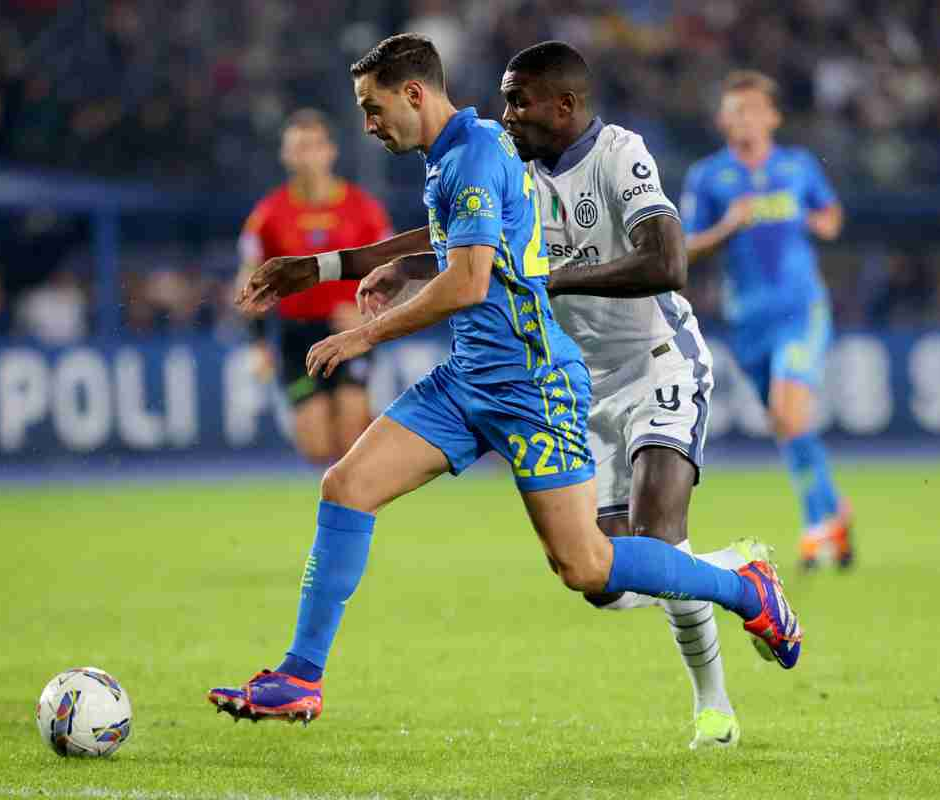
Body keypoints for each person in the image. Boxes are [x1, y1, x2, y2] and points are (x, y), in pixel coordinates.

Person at [210, 34, 802, 726]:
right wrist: (320, 268)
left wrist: (363, 333)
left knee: (587, 568)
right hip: (470, 379)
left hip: (535, 384)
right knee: (346, 484)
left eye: (373, 109)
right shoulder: (469, 153)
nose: (368, 125)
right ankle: (299, 677)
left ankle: (742, 587)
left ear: (413, 94)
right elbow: (447, 237)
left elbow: (466, 280)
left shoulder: (488, 151)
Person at [500, 41, 762, 749]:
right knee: (604, 581)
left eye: (518, 100)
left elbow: (669, 262)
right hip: (585, 392)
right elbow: (448, 238)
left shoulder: (620, 153)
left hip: (659, 361)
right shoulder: (515, 172)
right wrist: (355, 268)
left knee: (658, 541)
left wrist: (555, 280)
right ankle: (740, 573)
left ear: (566, 104)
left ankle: (714, 708)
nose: (507, 114)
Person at [681, 71, 852, 570]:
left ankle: (816, 529)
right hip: (747, 322)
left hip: (801, 310)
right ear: (721, 120)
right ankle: (836, 512)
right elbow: (687, 246)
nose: (744, 118)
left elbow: (832, 216)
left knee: (788, 411)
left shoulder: (797, 167)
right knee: (786, 422)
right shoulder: (708, 177)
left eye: (753, 109)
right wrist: (728, 226)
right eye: (735, 110)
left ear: (772, 116)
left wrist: (814, 221)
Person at [237, 109, 393, 464]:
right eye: (298, 147)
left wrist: (369, 316)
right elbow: (249, 283)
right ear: (286, 155)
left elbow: (394, 272)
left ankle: (362, 495)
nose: (307, 155)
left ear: (330, 151)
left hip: (348, 331)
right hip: (297, 336)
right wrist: (257, 342)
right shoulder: (267, 216)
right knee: (317, 445)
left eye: (314, 145)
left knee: (350, 426)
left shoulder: (364, 210)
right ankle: (384, 448)